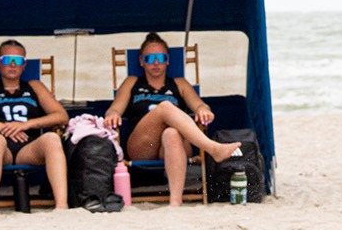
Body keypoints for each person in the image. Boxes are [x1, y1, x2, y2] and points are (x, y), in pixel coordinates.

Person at [103, 33, 243, 206]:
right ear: (141, 61)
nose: (156, 62)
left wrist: (202, 111)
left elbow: (200, 105)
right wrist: (113, 114)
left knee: (171, 133)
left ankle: (175, 202)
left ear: (168, 60)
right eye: (150, 58)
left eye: (161, 58)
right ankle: (212, 148)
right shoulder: (132, 82)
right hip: (143, 145)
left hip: (172, 146)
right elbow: (114, 108)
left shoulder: (180, 84)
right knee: (165, 108)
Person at [0, 39, 70, 214]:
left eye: (17, 60)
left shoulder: (34, 86)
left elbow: (61, 116)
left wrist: (27, 124)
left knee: (52, 138)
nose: (12, 64)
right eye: (6, 59)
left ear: (24, 65)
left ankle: (62, 206)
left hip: (28, 149)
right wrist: (0, 126)